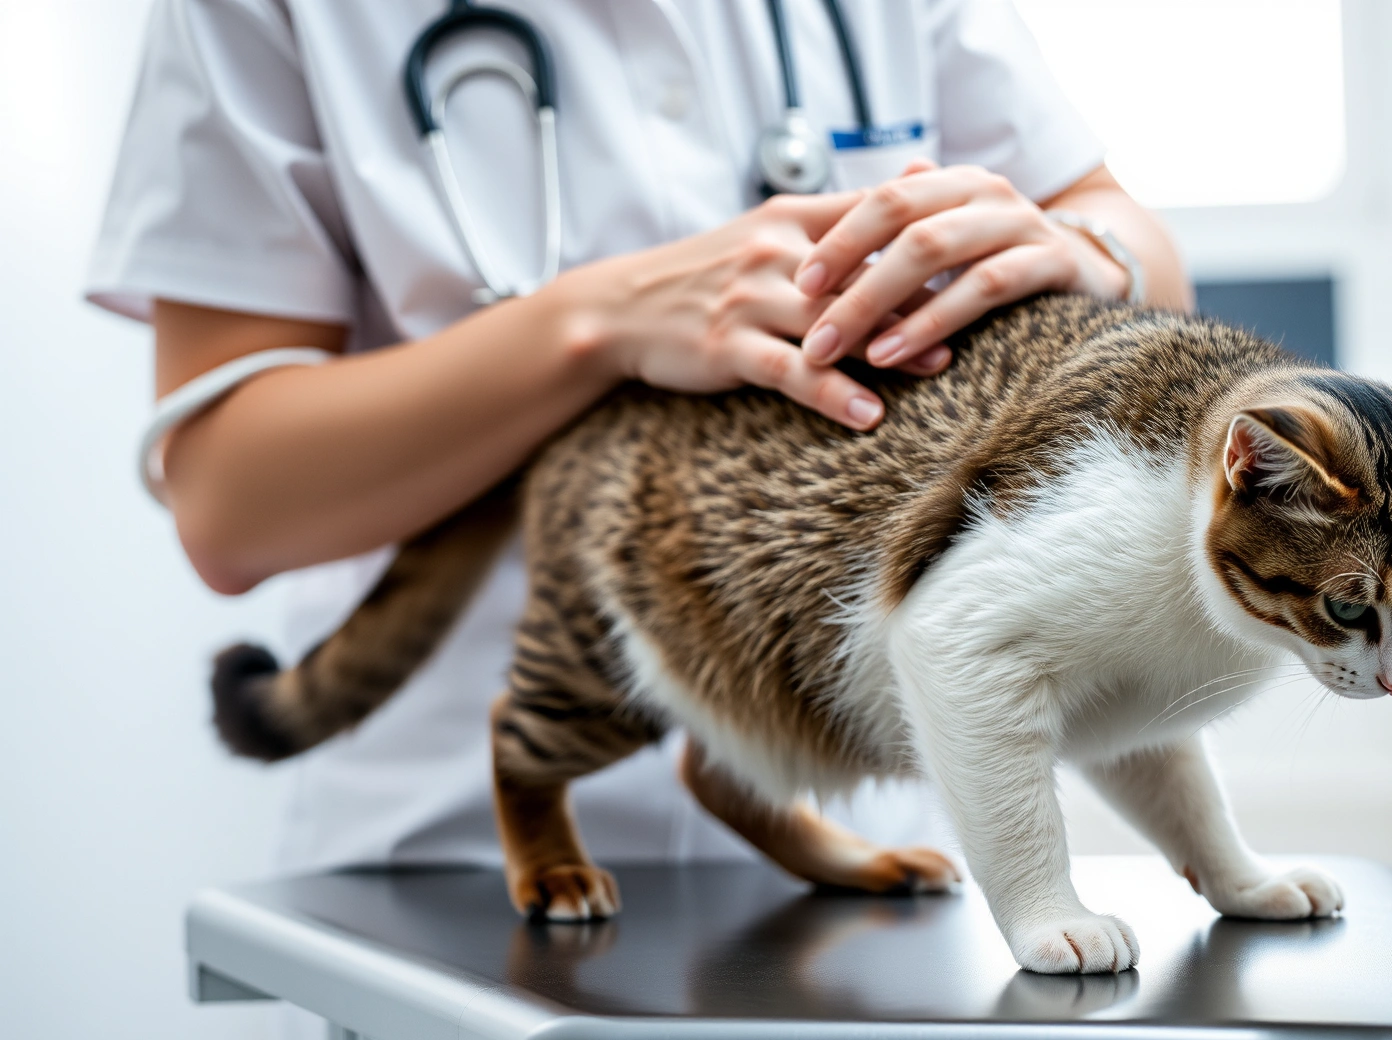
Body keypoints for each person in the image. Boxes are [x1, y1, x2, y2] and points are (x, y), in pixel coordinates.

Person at [88, 0, 1189, 886]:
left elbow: (1135, 253)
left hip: (863, 818)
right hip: (448, 862)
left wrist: (1092, 259)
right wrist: (594, 325)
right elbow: (227, 500)